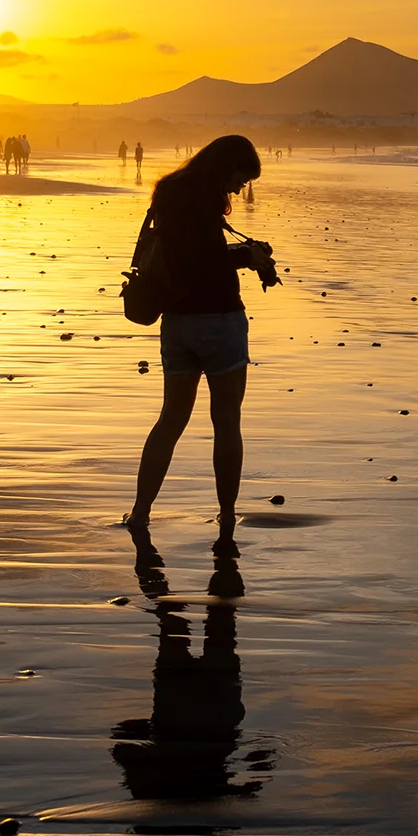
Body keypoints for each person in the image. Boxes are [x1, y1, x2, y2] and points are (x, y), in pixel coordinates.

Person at [125, 135, 270, 538]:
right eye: (240, 177)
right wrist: (249, 256)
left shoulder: (169, 191)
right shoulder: (204, 199)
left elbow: (182, 255)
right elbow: (204, 259)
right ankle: (226, 516)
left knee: (170, 420)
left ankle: (140, 512)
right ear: (226, 166)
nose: (240, 187)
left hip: (176, 321)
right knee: (226, 422)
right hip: (219, 320)